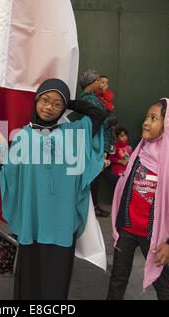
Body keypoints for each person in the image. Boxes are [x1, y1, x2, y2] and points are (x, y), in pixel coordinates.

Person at [0, 78, 107, 299]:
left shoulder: (75, 133)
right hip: (33, 220)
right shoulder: (22, 136)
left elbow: (99, 114)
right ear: (36, 101)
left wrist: (70, 102)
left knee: (56, 282)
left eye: (57, 104)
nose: (49, 107)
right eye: (45, 100)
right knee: (29, 280)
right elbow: (9, 174)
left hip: (62, 223)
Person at [107, 99, 169, 300]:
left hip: (155, 238)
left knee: (163, 284)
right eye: (146, 117)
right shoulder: (140, 153)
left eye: (154, 118)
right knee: (117, 279)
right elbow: (125, 184)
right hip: (128, 229)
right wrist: (103, 170)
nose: (146, 122)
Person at [78, 69, 113, 217]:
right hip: (94, 142)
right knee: (94, 175)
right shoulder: (89, 100)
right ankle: (92, 207)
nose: (100, 83)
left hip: (95, 141)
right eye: (98, 80)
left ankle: (93, 206)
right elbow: (101, 121)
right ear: (91, 82)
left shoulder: (92, 98)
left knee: (95, 175)